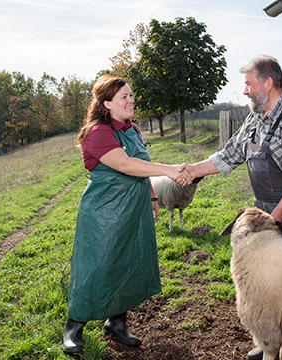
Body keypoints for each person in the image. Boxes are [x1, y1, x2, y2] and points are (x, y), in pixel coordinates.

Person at [183, 55, 282, 360]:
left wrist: (276, 218)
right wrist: (191, 170)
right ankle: (270, 344)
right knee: (268, 284)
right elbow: (227, 156)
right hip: (266, 212)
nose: (245, 91)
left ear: (268, 83)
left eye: (248, 84)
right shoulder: (255, 119)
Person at [62, 74, 193, 356]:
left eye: (131, 95)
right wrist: (169, 170)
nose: (131, 100)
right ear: (107, 103)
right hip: (104, 213)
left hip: (133, 208)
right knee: (96, 266)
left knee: (127, 262)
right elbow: (124, 164)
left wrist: (152, 196)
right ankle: (74, 326)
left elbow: (140, 164)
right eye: (124, 97)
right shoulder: (98, 132)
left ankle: (116, 322)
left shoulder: (132, 129)